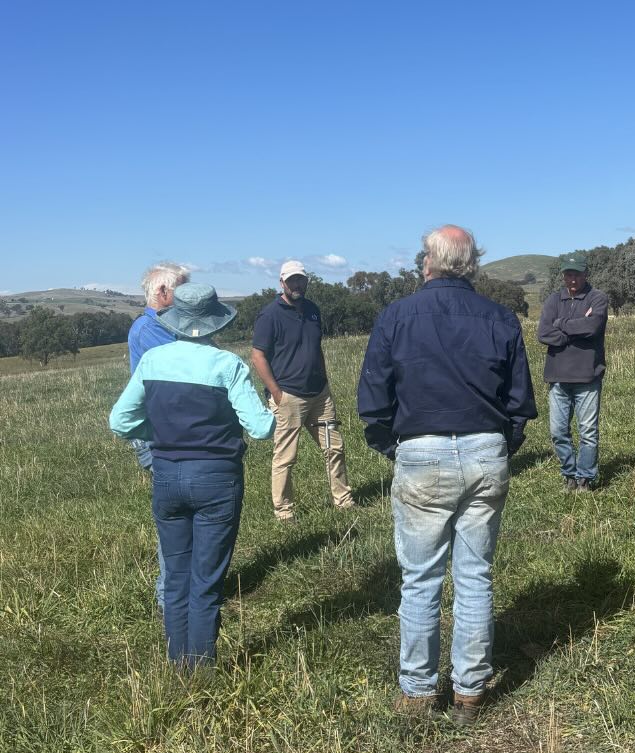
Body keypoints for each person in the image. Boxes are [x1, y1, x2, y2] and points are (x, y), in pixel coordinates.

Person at [357, 225, 537, 725]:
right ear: (472, 263)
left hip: (422, 450)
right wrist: (502, 446)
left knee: (420, 579)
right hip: (486, 449)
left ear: (427, 262)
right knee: (475, 574)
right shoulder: (500, 318)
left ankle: (417, 690)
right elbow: (520, 404)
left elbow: (373, 399)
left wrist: (391, 446)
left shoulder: (396, 316)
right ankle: (471, 690)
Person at [109, 283, 275, 669]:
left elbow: (120, 422)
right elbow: (261, 428)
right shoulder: (227, 365)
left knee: (177, 574)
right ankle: (200, 669)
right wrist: (270, 413)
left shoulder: (152, 362)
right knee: (206, 579)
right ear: (216, 322)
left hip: (167, 477)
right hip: (218, 479)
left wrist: (162, 434)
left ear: (176, 320)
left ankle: (176, 663)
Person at [250, 260, 352, 522]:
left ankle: (343, 500)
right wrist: (276, 393)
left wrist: (324, 378)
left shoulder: (313, 310)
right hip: (289, 397)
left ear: (307, 281)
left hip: (320, 395)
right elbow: (258, 355)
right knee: (286, 457)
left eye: (301, 280)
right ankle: (284, 511)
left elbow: (315, 347)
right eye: (292, 280)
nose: (297, 284)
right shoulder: (269, 315)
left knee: (334, 448)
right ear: (282, 282)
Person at [127, 262, 190, 608]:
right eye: (182, 289)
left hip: (175, 432)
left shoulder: (168, 326)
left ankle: (185, 591)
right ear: (163, 293)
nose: (188, 296)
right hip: (160, 436)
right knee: (175, 519)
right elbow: (183, 366)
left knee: (185, 515)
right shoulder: (149, 330)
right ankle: (170, 597)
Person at [536, 255, 609, 491]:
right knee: (558, 431)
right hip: (557, 378)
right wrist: (574, 327)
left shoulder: (597, 298)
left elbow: (593, 327)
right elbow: (543, 333)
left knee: (588, 431)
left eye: (576, 274)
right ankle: (569, 474)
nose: (572, 279)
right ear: (563, 276)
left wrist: (561, 324)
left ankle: (585, 478)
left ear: (585, 274)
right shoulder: (553, 299)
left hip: (587, 376)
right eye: (568, 274)